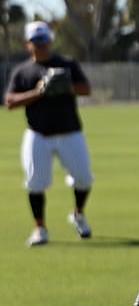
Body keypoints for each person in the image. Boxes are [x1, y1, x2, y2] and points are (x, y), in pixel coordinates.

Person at [6, 20, 93, 247]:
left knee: (83, 178)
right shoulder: (23, 71)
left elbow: (86, 89)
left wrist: (66, 87)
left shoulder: (67, 65)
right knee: (35, 182)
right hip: (38, 133)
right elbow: (10, 101)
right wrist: (38, 92)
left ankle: (78, 214)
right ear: (28, 44)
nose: (41, 44)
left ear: (50, 40)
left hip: (70, 131)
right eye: (36, 40)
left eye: (44, 39)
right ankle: (40, 228)